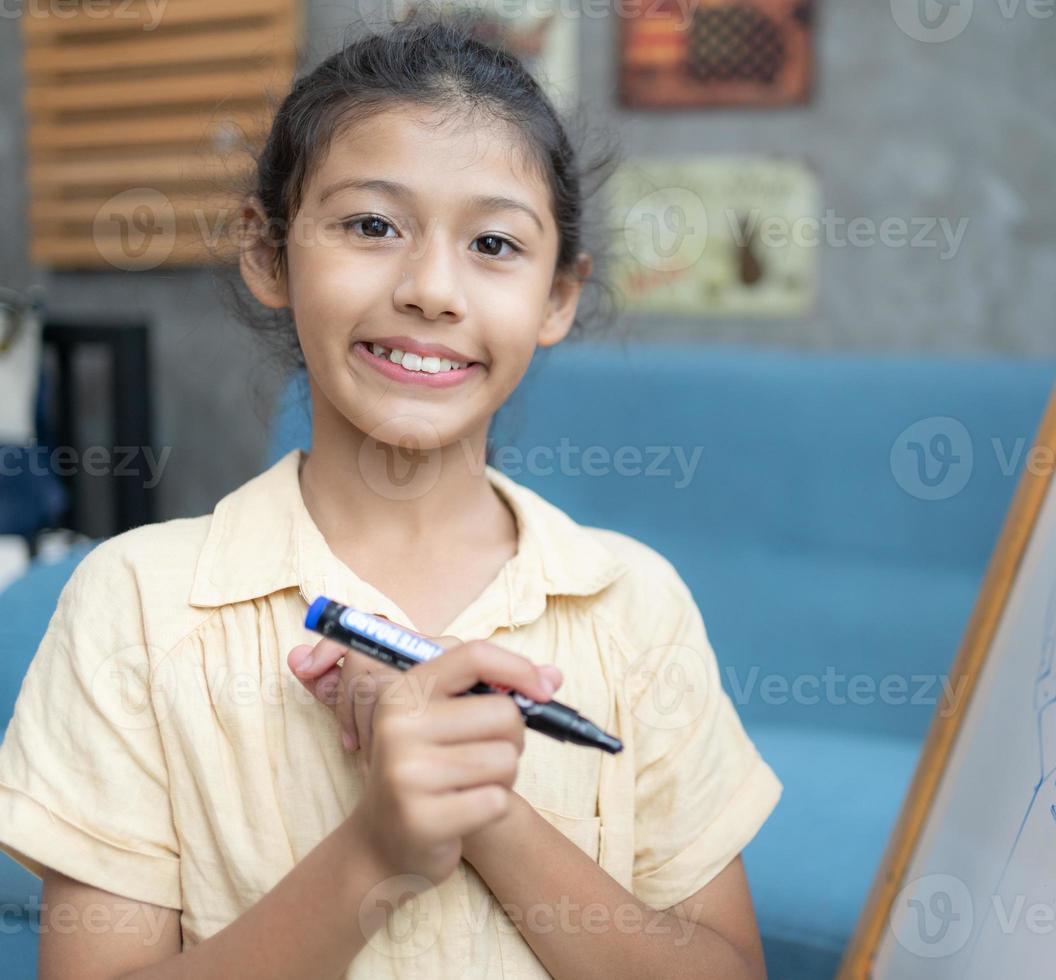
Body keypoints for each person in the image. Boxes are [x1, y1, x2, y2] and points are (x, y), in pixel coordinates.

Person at [0, 20, 781, 979]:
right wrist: (375, 854)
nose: (432, 290)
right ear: (269, 251)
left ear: (557, 298)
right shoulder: (130, 606)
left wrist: (488, 815)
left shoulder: (636, 605)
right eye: (372, 226)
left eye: (494, 243)